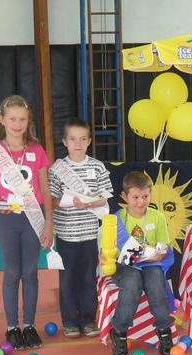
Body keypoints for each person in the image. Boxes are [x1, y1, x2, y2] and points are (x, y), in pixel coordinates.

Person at [0, 95, 53, 350]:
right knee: (12, 272)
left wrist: (49, 225)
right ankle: (12, 327)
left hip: (33, 218)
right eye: (12, 119)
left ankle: (30, 326)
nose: (17, 124)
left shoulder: (37, 150)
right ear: (1, 120)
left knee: (30, 272)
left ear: (28, 120)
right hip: (7, 220)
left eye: (22, 119)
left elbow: (45, 191)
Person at [49, 118, 112, 338]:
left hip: (89, 235)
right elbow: (52, 200)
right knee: (67, 281)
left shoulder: (97, 166)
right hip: (66, 236)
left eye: (82, 139)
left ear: (89, 141)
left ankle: (88, 319)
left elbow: (105, 195)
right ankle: (69, 321)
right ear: (65, 142)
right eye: (73, 139)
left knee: (87, 279)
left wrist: (90, 203)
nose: (78, 144)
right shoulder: (58, 169)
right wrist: (70, 203)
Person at [105, 171, 174, 355]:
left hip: (152, 263)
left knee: (156, 284)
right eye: (135, 197)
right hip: (124, 266)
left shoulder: (157, 217)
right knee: (132, 284)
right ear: (124, 197)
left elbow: (163, 248)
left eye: (145, 196)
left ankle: (164, 328)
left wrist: (156, 255)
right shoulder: (116, 220)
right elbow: (108, 251)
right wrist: (106, 257)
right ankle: (119, 331)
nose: (141, 202)